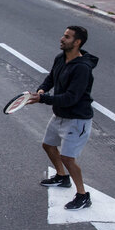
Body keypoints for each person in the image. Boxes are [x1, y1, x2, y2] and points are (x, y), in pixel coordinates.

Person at [27, 26, 98, 210]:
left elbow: (71, 98)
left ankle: (83, 195)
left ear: (77, 42)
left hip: (77, 119)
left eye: (67, 37)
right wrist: (42, 89)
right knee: (48, 145)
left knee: (68, 158)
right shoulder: (61, 58)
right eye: (63, 35)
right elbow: (51, 78)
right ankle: (62, 177)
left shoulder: (82, 69)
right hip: (60, 114)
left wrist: (43, 99)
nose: (62, 39)